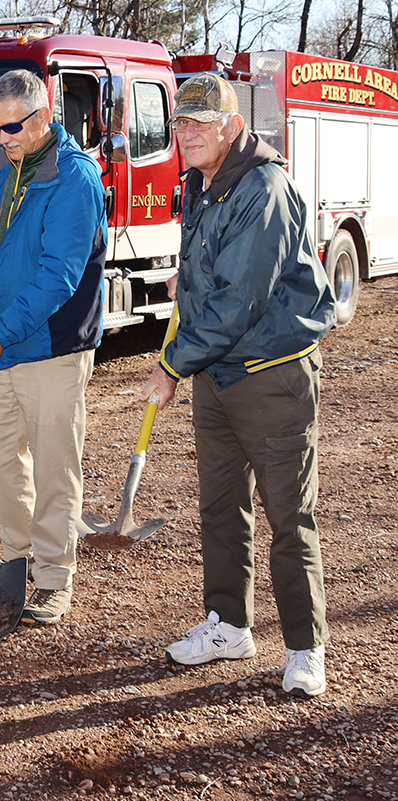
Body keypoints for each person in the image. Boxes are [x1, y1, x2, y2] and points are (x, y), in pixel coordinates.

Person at [142, 72, 336, 698]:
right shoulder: (201, 185)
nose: (188, 133)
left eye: (202, 122)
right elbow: (218, 274)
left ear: (233, 126)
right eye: (181, 122)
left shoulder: (263, 187)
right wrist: (189, 282)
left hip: (271, 376)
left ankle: (305, 647)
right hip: (219, 376)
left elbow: (241, 300)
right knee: (222, 507)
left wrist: (173, 365)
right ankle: (228, 625)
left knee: (288, 515)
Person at [0, 68, 106, 626]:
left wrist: (1, 332)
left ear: (43, 117)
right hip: (0, 347)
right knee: (6, 466)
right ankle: (14, 565)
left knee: (54, 468)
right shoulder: (7, 170)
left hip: (50, 348)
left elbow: (58, 275)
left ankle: (54, 578)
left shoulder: (74, 179)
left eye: (12, 127)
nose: (1, 137)